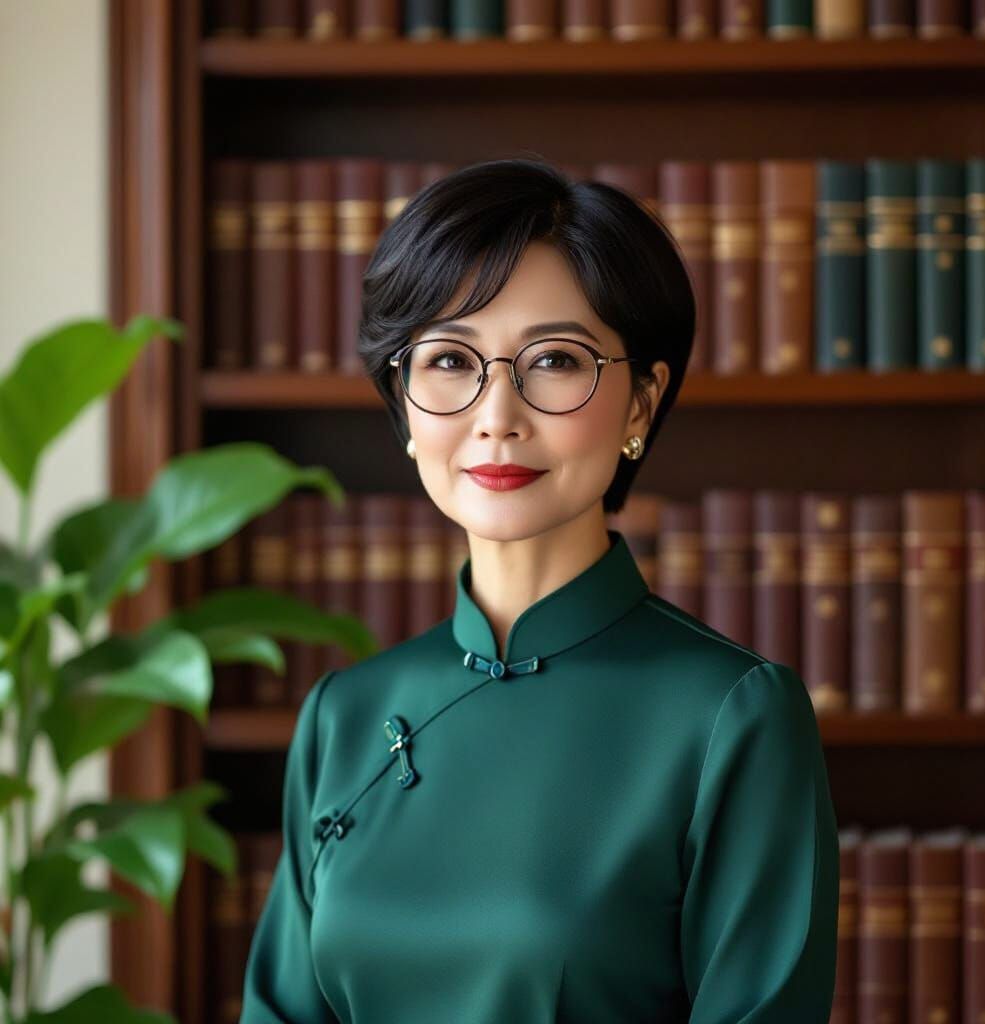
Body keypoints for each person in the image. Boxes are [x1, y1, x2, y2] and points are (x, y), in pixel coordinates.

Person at [240, 156, 839, 1022]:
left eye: (555, 359)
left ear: (641, 403)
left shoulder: (733, 715)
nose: (496, 413)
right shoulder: (342, 715)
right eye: (449, 360)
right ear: (404, 407)